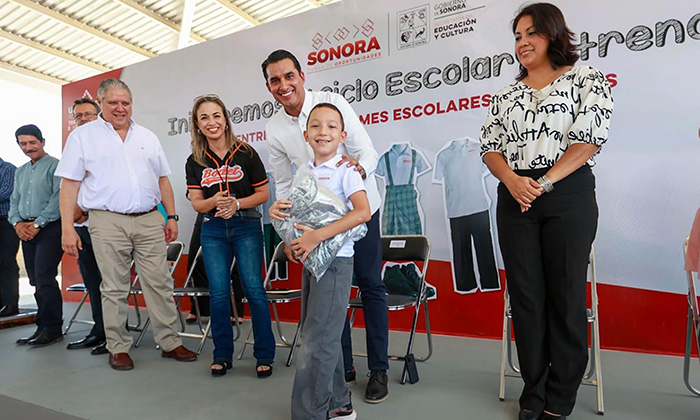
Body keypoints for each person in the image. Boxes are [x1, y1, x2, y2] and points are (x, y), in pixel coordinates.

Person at [479, 3, 614, 420]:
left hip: (567, 193)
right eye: (517, 35)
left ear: (553, 34)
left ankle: (561, 395)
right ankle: (532, 392)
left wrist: (544, 183)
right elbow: (490, 148)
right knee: (526, 297)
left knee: (565, 293)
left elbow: (588, 140)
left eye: (530, 33)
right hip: (515, 196)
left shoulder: (586, 79)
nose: (522, 42)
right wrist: (513, 181)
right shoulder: (506, 94)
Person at [263, 49, 390, 403]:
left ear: (301, 76)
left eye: (289, 76)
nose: (284, 85)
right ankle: (342, 368)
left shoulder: (331, 103)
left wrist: (350, 178)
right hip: (312, 228)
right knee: (329, 300)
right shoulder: (274, 129)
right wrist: (288, 231)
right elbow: (285, 185)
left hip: (356, 213)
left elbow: (366, 152)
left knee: (369, 285)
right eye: (275, 80)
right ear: (269, 86)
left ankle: (378, 369)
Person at [56, 78, 197, 371]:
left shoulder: (147, 136)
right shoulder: (83, 137)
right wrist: (67, 228)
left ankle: (170, 342)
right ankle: (118, 346)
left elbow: (162, 180)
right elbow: (69, 185)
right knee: (114, 287)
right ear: (101, 103)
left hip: (148, 219)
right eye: (113, 103)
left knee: (159, 283)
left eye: (126, 103)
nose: (120, 108)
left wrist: (171, 215)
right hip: (107, 220)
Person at [272, 102, 370, 420]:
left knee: (317, 340)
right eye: (315, 126)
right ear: (306, 134)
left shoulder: (347, 170)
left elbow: (362, 213)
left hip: (337, 262)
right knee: (323, 333)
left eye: (330, 126)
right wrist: (278, 214)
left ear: (342, 135)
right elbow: (297, 213)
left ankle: (309, 413)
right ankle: (339, 404)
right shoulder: (305, 172)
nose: (322, 131)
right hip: (313, 262)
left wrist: (318, 236)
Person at [185, 94, 275, 377]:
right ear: (198, 126)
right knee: (219, 293)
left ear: (225, 120)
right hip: (212, 229)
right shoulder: (195, 160)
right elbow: (197, 203)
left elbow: (264, 194)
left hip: (246, 225)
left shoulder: (246, 153)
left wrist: (236, 203)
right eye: (204, 118)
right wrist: (214, 202)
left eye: (216, 116)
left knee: (254, 290)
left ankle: (264, 354)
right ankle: (222, 354)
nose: (211, 122)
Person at [9, 124, 64, 346]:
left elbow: (58, 200)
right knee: (34, 280)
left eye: (32, 142)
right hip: (25, 229)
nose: (28, 147)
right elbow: (14, 201)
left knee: (44, 278)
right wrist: (16, 224)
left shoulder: (56, 166)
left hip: (50, 228)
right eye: (23, 143)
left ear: (42, 142)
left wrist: (38, 224)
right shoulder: (20, 171)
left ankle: (53, 328)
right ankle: (41, 326)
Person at [64, 98, 108, 355]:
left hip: (106, 226)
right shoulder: (75, 146)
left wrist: (85, 208)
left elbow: (112, 186)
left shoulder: (109, 144)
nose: (82, 119)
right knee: (93, 282)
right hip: (82, 228)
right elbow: (69, 186)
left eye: (88, 114)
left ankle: (114, 333)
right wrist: (73, 214)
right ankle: (99, 331)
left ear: (99, 115)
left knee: (110, 284)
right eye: (78, 116)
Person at [0, 156, 20, 318]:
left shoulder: (8, 169)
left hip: (6, 221)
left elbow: (5, 192)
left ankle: (11, 304)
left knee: (7, 262)